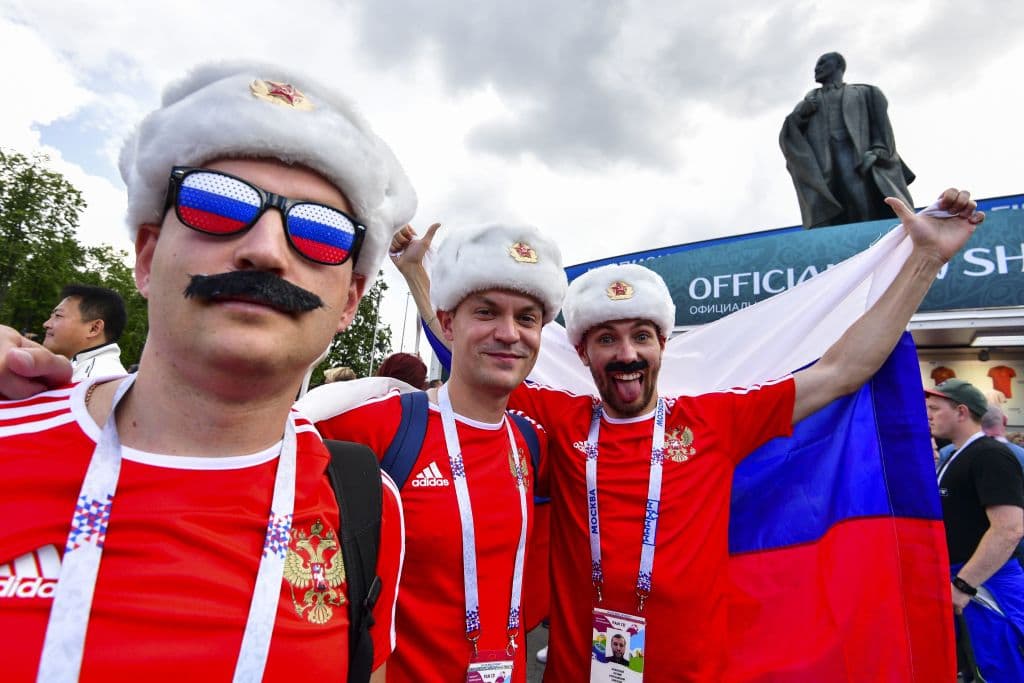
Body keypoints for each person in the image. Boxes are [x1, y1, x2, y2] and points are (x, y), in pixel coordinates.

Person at [393, 189, 983, 680]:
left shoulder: (714, 420)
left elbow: (840, 372)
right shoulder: (560, 418)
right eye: (606, 339)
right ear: (583, 355)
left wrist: (924, 261)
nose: (626, 354)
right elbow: (471, 352)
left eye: (641, 336)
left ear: (662, 346)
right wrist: (418, 271)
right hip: (577, 671)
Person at [0, 62, 416, 681]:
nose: (266, 250)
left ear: (349, 302)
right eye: (216, 203)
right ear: (146, 255)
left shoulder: (364, 504)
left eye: (321, 232)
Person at [297, 222, 565, 683]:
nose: (509, 333)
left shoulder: (532, 441)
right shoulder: (379, 427)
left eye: (527, 318)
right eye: (486, 312)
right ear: (448, 323)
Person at [927, 379, 1024, 680]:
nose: (927, 415)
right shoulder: (954, 456)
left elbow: (1009, 529)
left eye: (934, 408)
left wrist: (964, 585)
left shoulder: (989, 455)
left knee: (1003, 671)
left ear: (961, 412)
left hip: (988, 585)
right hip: (969, 581)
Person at [780, 52, 915, 228]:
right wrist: (800, 115)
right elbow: (789, 133)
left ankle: (868, 233)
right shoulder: (809, 101)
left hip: (855, 155)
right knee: (832, 203)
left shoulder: (866, 92)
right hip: (823, 162)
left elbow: (882, 130)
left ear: (838, 66)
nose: (816, 68)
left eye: (822, 63)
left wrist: (878, 151)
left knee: (859, 198)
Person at [43, 283, 128, 379]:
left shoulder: (97, 379)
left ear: (94, 328)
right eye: (51, 316)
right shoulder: (79, 371)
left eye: (58, 315)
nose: (46, 324)